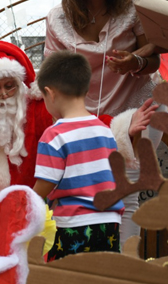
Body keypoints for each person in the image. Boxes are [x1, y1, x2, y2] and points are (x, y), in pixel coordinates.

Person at [0, 40, 153, 225]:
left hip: (25, 225)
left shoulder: (37, 107)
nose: (2, 95)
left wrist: (120, 129)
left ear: (20, 83)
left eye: (9, 86)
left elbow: (80, 121)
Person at [44, 0, 162, 247]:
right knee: (82, 193)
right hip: (80, 115)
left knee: (126, 194)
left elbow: (153, 59)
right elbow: (51, 73)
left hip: (133, 106)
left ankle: (125, 269)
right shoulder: (57, 18)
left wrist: (135, 62)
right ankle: (88, 264)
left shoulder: (132, 10)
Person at [34, 51, 126, 260]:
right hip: (109, 222)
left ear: (50, 93)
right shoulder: (104, 130)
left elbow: (45, 184)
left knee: (66, 283)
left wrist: (27, 201)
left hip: (73, 224)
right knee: (102, 281)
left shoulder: (54, 135)